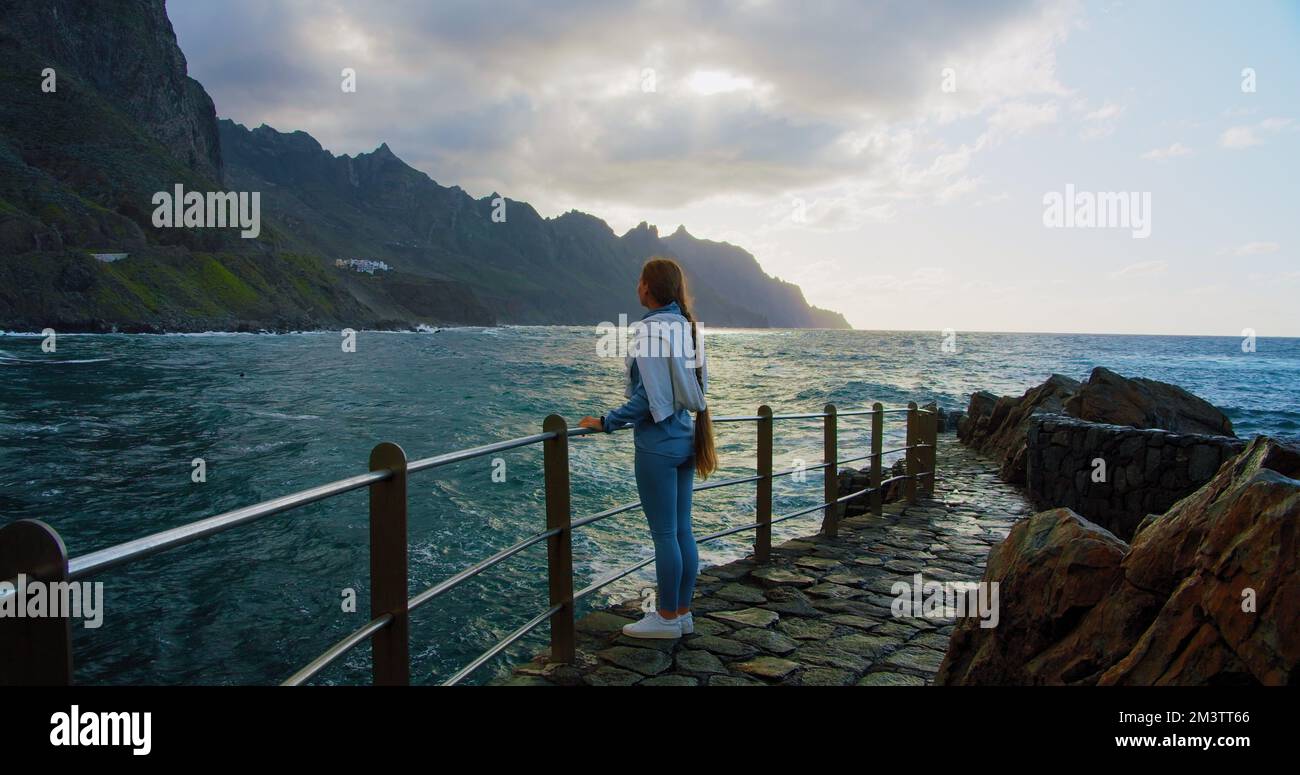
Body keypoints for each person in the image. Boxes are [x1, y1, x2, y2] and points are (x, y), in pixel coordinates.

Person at [578, 257, 717, 639]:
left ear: (649, 288)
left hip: (657, 445)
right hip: (686, 438)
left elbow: (647, 399)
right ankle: (683, 613)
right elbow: (688, 391)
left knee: (665, 535)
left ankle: (667, 618)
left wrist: (606, 421)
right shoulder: (686, 328)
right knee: (682, 531)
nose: (636, 286)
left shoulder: (652, 331)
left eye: (639, 280)